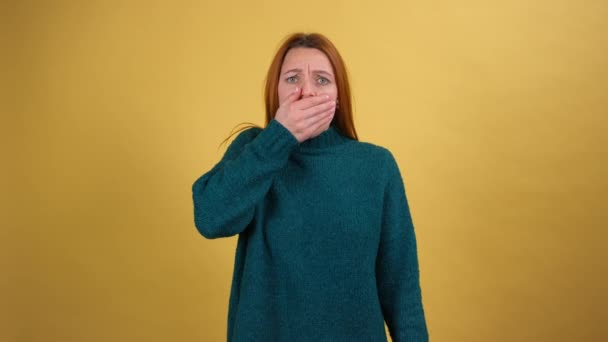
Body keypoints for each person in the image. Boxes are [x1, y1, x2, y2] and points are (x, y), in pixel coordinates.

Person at [191, 32, 429, 342]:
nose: (306, 92)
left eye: (322, 80)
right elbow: (210, 218)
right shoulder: (253, 150)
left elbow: (402, 290)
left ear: (338, 95)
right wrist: (279, 137)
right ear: (275, 91)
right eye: (292, 79)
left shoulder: (376, 165)